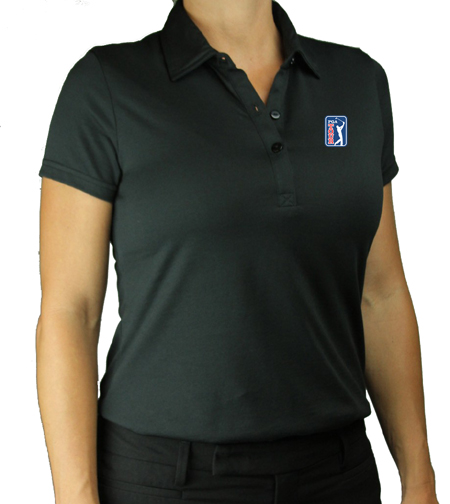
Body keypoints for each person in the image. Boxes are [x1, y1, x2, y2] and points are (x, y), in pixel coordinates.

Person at [36, 1, 439, 503]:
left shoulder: (357, 81)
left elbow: (380, 293)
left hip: (337, 475)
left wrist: (420, 478)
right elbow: (70, 313)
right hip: (168, 481)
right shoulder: (106, 85)